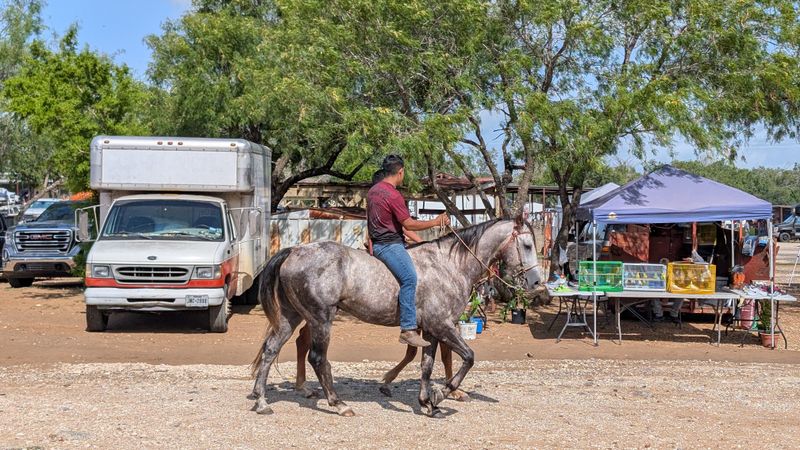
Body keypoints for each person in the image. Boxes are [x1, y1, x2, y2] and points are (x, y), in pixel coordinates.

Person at [367, 154, 450, 347]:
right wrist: (436, 222)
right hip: (390, 245)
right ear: (400, 171)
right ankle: (408, 328)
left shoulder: (373, 191)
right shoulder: (393, 194)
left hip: (378, 243)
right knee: (410, 278)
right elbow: (408, 224)